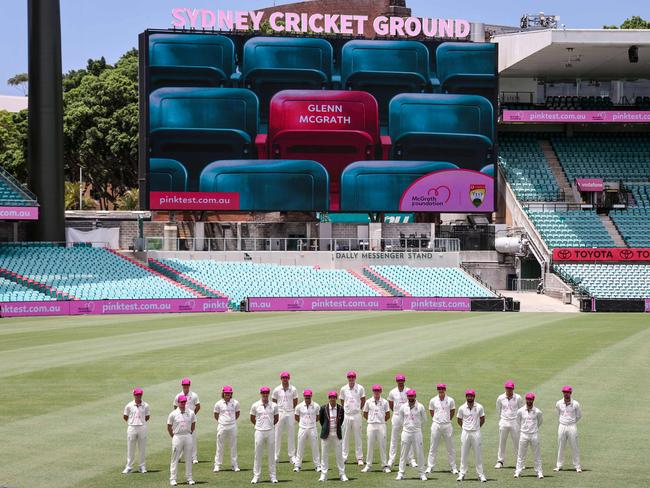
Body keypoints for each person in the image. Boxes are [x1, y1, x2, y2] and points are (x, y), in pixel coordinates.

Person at [426, 383, 458, 475]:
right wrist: (438, 420)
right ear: (437, 390)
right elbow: (431, 411)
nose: (441, 390)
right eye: (439, 389)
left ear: (445, 389)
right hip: (436, 425)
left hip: (447, 425)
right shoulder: (433, 400)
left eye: (442, 389)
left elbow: (452, 412)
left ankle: (453, 467)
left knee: (450, 447)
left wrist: (446, 419)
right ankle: (430, 466)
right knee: (433, 446)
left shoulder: (450, 400)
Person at [395, 389, 427, 481]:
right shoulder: (403, 407)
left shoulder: (420, 406)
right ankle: (401, 473)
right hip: (406, 432)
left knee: (420, 453)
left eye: (412, 396)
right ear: (407, 396)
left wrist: (417, 427)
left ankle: (422, 474)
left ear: (415, 396)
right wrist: (407, 426)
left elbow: (424, 420)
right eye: (409, 396)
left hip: (417, 432)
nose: (411, 398)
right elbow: (401, 419)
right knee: (403, 454)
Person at [250, 386, 279, 484]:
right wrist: (259, 426)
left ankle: (273, 476)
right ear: (261, 394)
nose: (265, 395)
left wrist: (269, 425)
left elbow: (276, 418)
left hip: (270, 431)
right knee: (258, 454)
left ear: (269, 394)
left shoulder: (274, 405)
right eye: (263, 393)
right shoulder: (255, 405)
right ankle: (256, 476)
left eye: (266, 393)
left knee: (271, 454)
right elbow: (252, 418)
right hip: (259, 432)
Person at [457, 389, 486, 483]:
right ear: (466, 397)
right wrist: (466, 427)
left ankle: (480, 474)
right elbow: (459, 420)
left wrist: (476, 427)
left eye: (471, 396)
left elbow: (482, 419)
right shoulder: (462, 408)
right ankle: (462, 474)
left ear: (474, 397)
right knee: (464, 454)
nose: (470, 397)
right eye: (468, 396)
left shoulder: (479, 407)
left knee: (478, 454)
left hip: (476, 433)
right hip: (465, 432)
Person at [167, 395, 196, 486]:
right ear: (178, 403)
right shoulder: (173, 414)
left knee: (188, 458)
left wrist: (190, 433)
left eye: (184, 402)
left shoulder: (190, 412)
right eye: (181, 402)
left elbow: (193, 423)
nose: (183, 403)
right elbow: (169, 426)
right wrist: (174, 436)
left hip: (188, 436)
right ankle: (173, 479)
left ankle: (189, 478)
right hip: (177, 437)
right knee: (175, 458)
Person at [319, 391, 348, 482]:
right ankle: (324, 475)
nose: (332, 399)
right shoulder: (323, 408)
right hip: (326, 435)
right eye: (331, 397)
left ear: (336, 398)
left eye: (334, 397)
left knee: (339, 455)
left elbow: (341, 420)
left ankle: (342, 474)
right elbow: (322, 421)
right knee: (324, 455)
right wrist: (326, 429)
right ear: (329, 398)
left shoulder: (340, 408)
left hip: (336, 434)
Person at [388, 374, 415, 468]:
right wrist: (397, 412)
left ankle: (411, 459)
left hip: (407, 417)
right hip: (396, 416)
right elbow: (391, 404)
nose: (400, 382)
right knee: (394, 438)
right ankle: (391, 459)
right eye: (399, 381)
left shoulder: (408, 391)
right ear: (396, 381)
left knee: (408, 437)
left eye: (402, 380)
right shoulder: (392, 392)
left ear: (404, 381)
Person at [362, 385, 391, 473]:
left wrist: (381, 421)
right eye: (375, 391)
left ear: (380, 391)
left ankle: (384, 466)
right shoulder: (368, 402)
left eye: (378, 391)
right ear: (373, 391)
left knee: (382, 445)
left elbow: (388, 414)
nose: (376, 392)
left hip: (381, 425)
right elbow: (365, 413)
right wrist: (371, 420)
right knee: (370, 445)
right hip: (371, 425)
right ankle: (368, 465)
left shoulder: (385, 402)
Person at [495, 380, 523, 469]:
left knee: (517, 442)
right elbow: (498, 410)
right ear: (505, 388)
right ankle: (500, 461)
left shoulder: (518, 398)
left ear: (513, 389)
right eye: (507, 388)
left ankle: (520, 462)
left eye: (510, 389)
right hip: (504, 421)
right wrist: (503, 418)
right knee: (502, 442)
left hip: (514, 422)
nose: (509, 390)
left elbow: (521, 410)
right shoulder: (500, 398)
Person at [515, 393, 543, 479]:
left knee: (536, 454)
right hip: (523, 434)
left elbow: (540, 422)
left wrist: (533, 429)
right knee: (521, 454)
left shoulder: (537, 411)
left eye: (530, 399)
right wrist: (525, 429)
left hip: (534, 435)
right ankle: (518, 471)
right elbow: (518, 421)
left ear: (533, 400)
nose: (529, 401)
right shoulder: (520, 411)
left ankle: (539, 472)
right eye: (527, 399)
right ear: (526, 399)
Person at [339, 371, 366, 465]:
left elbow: (363, 400)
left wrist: (358, 409)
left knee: (358, 436)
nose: (351, 379)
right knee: (345, 436)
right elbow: (342, 400)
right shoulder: (343, 389)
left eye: (352, 377)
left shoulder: (360, 388)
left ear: (355, 378)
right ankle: (344, 457)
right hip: (347, 415)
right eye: (349, 377)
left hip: (356, 415)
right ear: (347, 378)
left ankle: (359, 458)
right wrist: (346, 409)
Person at [554, 386, 582, 473]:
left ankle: (577, 466)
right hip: (562, 425)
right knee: (561, 445)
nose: (566, 394)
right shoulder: (559, 403)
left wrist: (572, 422)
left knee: (574, 446)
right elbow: (558, 414)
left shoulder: (576, 404)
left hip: (572, 426)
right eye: (564, 392)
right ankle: (559, 465)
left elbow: (579, 416)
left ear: (570, 393)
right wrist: (564, 421)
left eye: (567, 392)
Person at [122, 388, 150, 474]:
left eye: (140, 395)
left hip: (142, 427)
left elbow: (147, 417)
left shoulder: (145, 405)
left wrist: (140, 422)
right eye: (137, 395)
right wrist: (133, 422)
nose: (138, 396)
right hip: (132, 427)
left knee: (142, 448)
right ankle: (129, 466)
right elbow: (125, 416)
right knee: (131, 448)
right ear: (134, 395)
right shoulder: (129, 405)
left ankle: (142, 466)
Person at [213, 385, 240, 473]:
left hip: (232, 426)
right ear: (223, 393)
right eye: (226, 393)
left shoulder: (235, 403)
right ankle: (217, 465)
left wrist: (231, 421)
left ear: (231, 394)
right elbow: (216, 415)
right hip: (222, 426)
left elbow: (237, 413)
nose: (227, 394)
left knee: (233, 446)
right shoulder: (218, 403)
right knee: (219, 446)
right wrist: (222, 421)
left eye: (229, 393)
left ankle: (234, 465)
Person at [272, 372, 299, 464]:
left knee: (291, 434)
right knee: (277, 434)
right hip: (280, 412)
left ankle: (292, 456)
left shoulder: (293, 389)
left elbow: (295, 401)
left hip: (290, 412)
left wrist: (290, 409)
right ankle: (275, 455)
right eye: (283, 378)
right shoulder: (276, 389)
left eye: (286, 378)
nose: (285, 379)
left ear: (289, 378)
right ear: (281, 379)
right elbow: (274, 402)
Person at [173, 378, 201, 464]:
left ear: (189, 385)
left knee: (192, 438)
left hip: (190, 420)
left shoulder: (194, 395)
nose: (186, 387)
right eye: (184, 385)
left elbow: (198, 406)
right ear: (182, 385)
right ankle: (179, 456)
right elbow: (175, 406)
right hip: (181, 420)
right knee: (181, 437)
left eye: (187, 385)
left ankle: (194, 457)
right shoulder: (178, 396)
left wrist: (192, 416)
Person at [294, 389, 321, 473]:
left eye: (309, 397)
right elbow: (296, 417)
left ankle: (317, 466)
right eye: (306, 397)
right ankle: (297, 466)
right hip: (302, 428)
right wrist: (303, 424)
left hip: (312, 428)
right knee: (300, 447)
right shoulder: (299, 406)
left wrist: (310, 423)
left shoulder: (316, 406)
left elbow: (318, 417)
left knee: (315, 447)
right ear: (304, 397)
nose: (307, 399)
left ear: (311, 396)